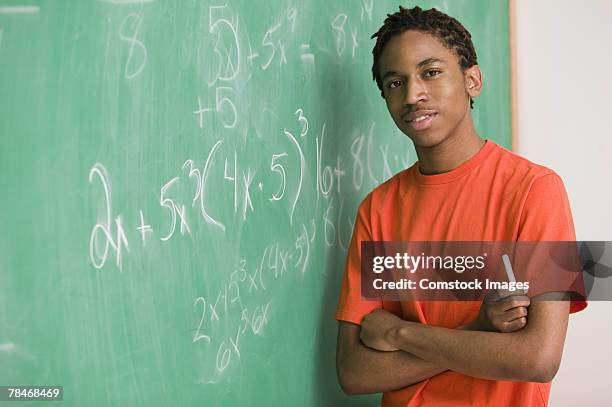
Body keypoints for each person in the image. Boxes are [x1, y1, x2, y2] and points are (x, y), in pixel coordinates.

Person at [334, 6, 587, 406]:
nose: (413, 95)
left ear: (473, 80)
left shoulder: (537, 191)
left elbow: (538, 358)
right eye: (395, 82)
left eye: (430, 72)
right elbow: (353, 371)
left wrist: (400, 333)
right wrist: (481, 329)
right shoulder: (377, 209)